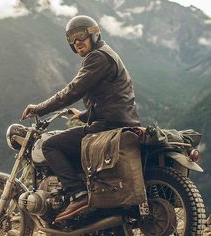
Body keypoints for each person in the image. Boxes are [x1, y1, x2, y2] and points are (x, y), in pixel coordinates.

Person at [21, 15, 140, 221]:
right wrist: (84, 115)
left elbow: (72, 91)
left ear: (94, 34)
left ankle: (79, 194)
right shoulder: (106, 54)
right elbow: (112, 98)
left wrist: (39, 108)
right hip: (119, 121)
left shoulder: (97, 57)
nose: (76, 42)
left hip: (107, 127)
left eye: (80, 35)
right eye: (71, 39)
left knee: (51, 145)